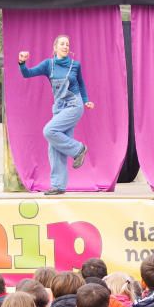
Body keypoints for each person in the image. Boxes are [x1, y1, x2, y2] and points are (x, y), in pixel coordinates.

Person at [17, 35, 94, 195]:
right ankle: (58, 186)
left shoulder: (75, 65)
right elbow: (27, 74)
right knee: (55, 147)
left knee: (49, 131)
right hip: (59, 108)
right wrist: (22, 62)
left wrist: (86, 100)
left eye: (67, 44)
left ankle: (79, 149)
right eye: (62, 44)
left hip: (74, 105)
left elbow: (81, 84)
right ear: (55, 47)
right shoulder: (48, 64)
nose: (65, 46)